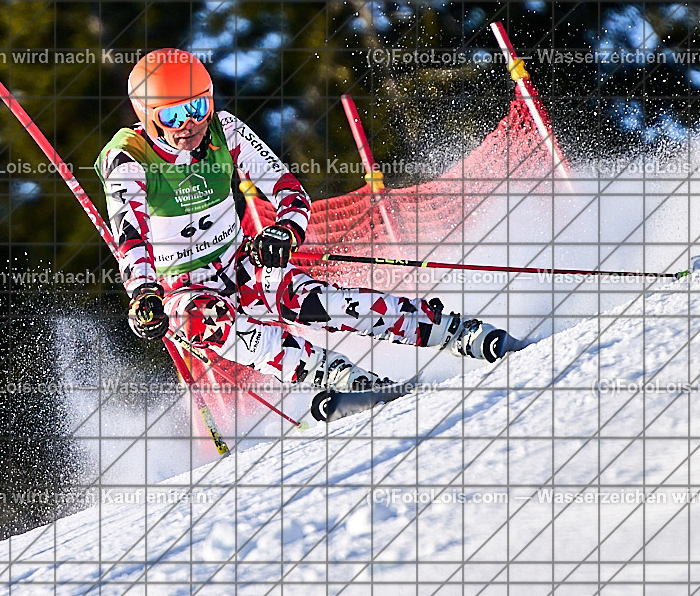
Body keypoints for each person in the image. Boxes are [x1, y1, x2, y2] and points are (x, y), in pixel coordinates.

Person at [95, 48, 519, 392]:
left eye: (197, 107)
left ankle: (452, 330)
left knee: (318, 302)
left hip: (239, 262)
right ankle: (335, 375)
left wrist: (285, 228)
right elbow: (131, 235)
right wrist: (143, 293)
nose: (189, 124)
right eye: (171, 116)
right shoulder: (129, 158)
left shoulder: (224, 130)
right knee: (199, 320)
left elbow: (287, 190)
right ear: (147, 116)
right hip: (182, 287)